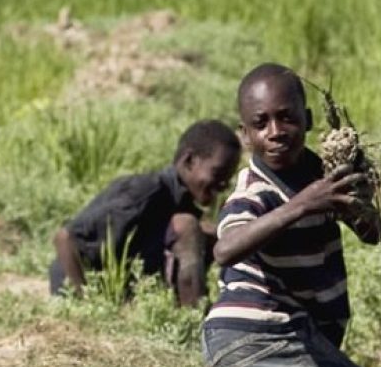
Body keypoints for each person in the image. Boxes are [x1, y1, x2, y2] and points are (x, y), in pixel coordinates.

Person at [201, 63, 381, 367]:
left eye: (287, 117)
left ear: (307, 120)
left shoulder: (319, 174)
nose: (276, 131)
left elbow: (372, 234)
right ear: (244, 134)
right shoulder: (253, 191)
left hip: (251, 344)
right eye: (260, 123)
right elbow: (225, 249)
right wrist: (304, 204)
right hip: (261, 335)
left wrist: (356, 201)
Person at [50, 120, 240, 306]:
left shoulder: (181, 202)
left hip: (124, 294)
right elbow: (65, 239)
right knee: (187, 226)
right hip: (81, 289)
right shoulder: (145, 192)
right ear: (189, 161)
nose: (223, 185)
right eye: (218, 173)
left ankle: (194, 311)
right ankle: (196, 317)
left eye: (227, 180)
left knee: (215, 234)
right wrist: (86, 305)